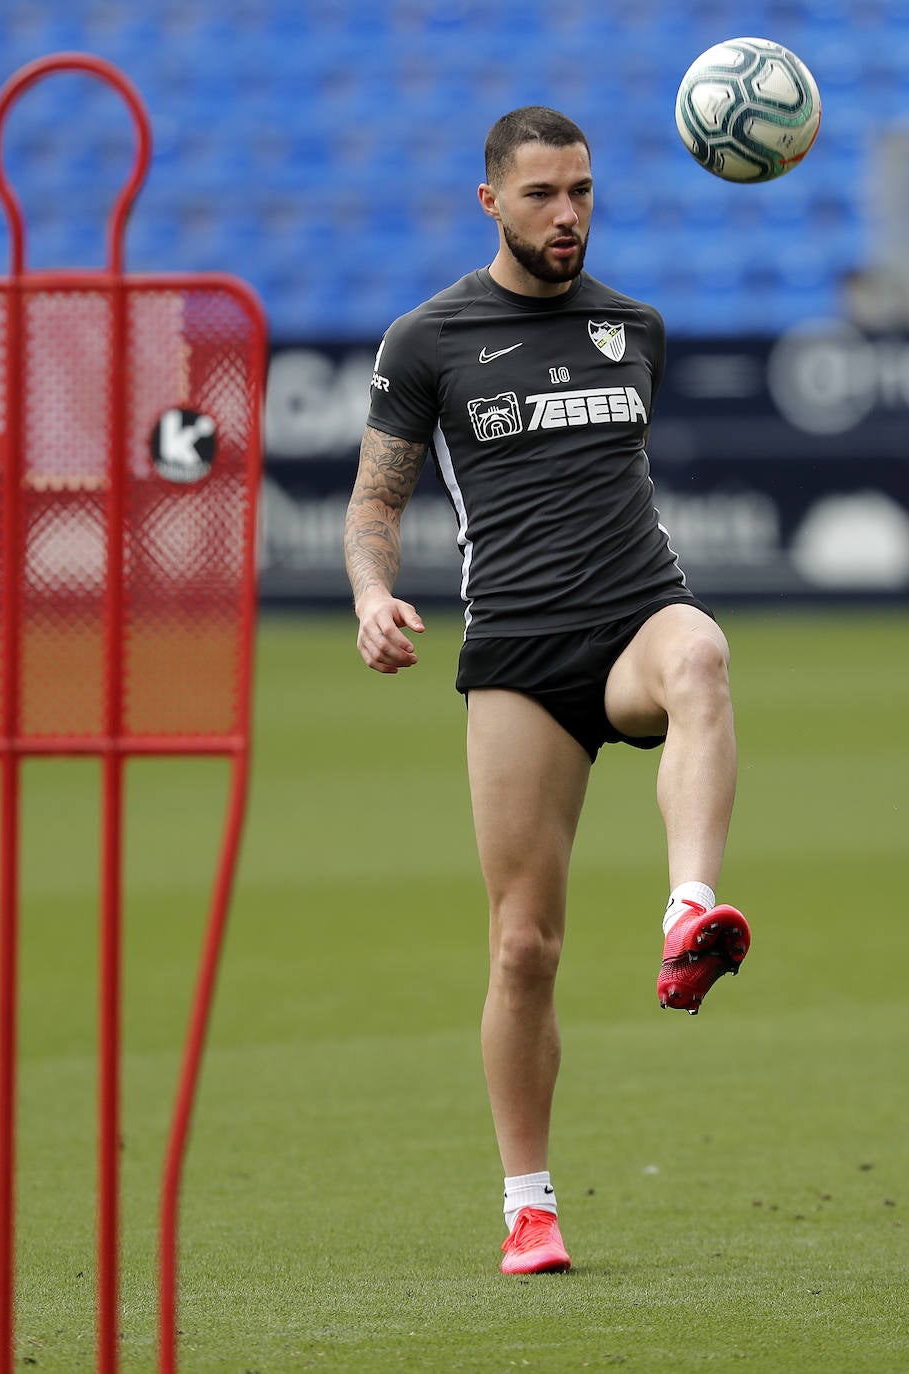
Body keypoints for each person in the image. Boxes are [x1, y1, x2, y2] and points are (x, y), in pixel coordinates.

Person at [342, 106, 750, 1276]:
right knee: (523, 947)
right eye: (540, 195)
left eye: (579, 190)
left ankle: (690, 911)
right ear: (491, 204)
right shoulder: (427, 340)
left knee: (702, 657)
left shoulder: (635, 327)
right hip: (518, 653)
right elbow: (376, 506)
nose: (566, 213)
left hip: (634, 617)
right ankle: (529, 1203)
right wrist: (374, 596)